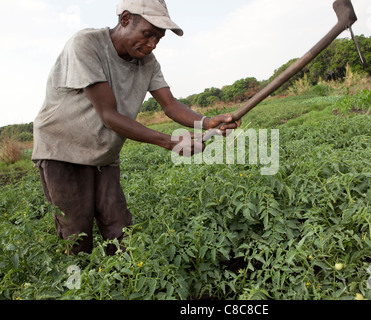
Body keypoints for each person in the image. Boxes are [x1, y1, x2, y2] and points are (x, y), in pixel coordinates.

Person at [32, 0, 239, 255]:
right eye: (148, 34)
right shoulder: (86, 44)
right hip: (63, 150)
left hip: (103, 154)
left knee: (119, 229)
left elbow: (170, 104)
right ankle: (80, 286)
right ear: (126, 18)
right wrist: (170, 142)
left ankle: (123, 286)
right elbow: (109, 115)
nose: (152, 44)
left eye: (158, 38)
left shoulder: (148, 62)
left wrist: (208, 122)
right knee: (76, 235)